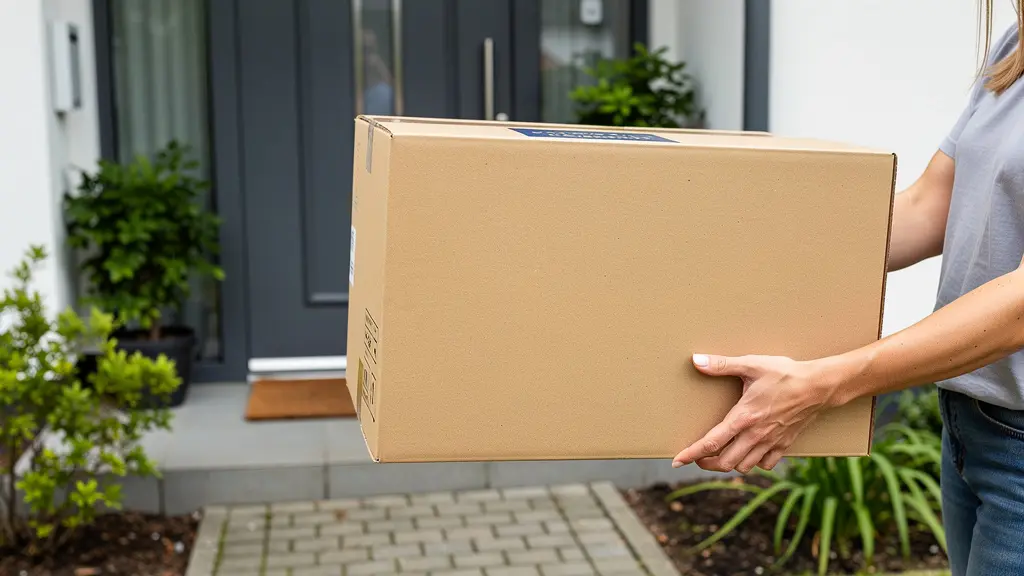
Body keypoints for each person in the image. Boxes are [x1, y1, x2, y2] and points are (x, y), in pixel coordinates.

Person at [672, 6, 1024, 576]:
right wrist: (733, 262)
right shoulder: (1015, 45)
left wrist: (824, 383)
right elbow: (930, 208)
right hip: (972, 425)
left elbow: (1019, 309)